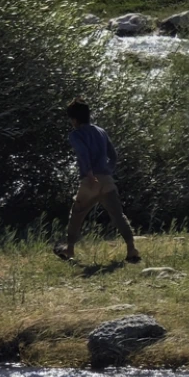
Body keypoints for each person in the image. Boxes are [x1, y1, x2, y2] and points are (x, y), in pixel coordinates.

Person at [56, 99, 141, 264]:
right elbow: (113, 155)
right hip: (107, 179)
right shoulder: (101, 131)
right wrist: (108, 170)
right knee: (118, 215)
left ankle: (70, 249)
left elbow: (82, 153)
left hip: (90, 180)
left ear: (74, 119)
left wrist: (88, 172)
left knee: (77, 214)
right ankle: (132, 249)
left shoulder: (75, 134)